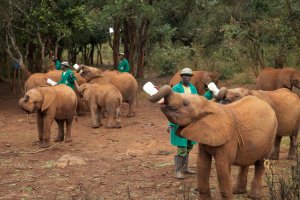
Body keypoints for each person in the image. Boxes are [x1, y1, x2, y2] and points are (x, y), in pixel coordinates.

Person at [169, 68, 213, 179]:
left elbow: (199, 101)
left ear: (191, 77)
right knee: (181, 147)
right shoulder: (176, 89)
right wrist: (170, 123)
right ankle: (177, 171)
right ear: (181, 76)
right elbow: (171, 107)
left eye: (189, 76)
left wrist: (209, 93)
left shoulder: (193, 89)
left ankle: (185, 168)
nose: (186, 77)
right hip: (179, 121)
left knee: (188, 146)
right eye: (184, 75)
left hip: (191, 122)